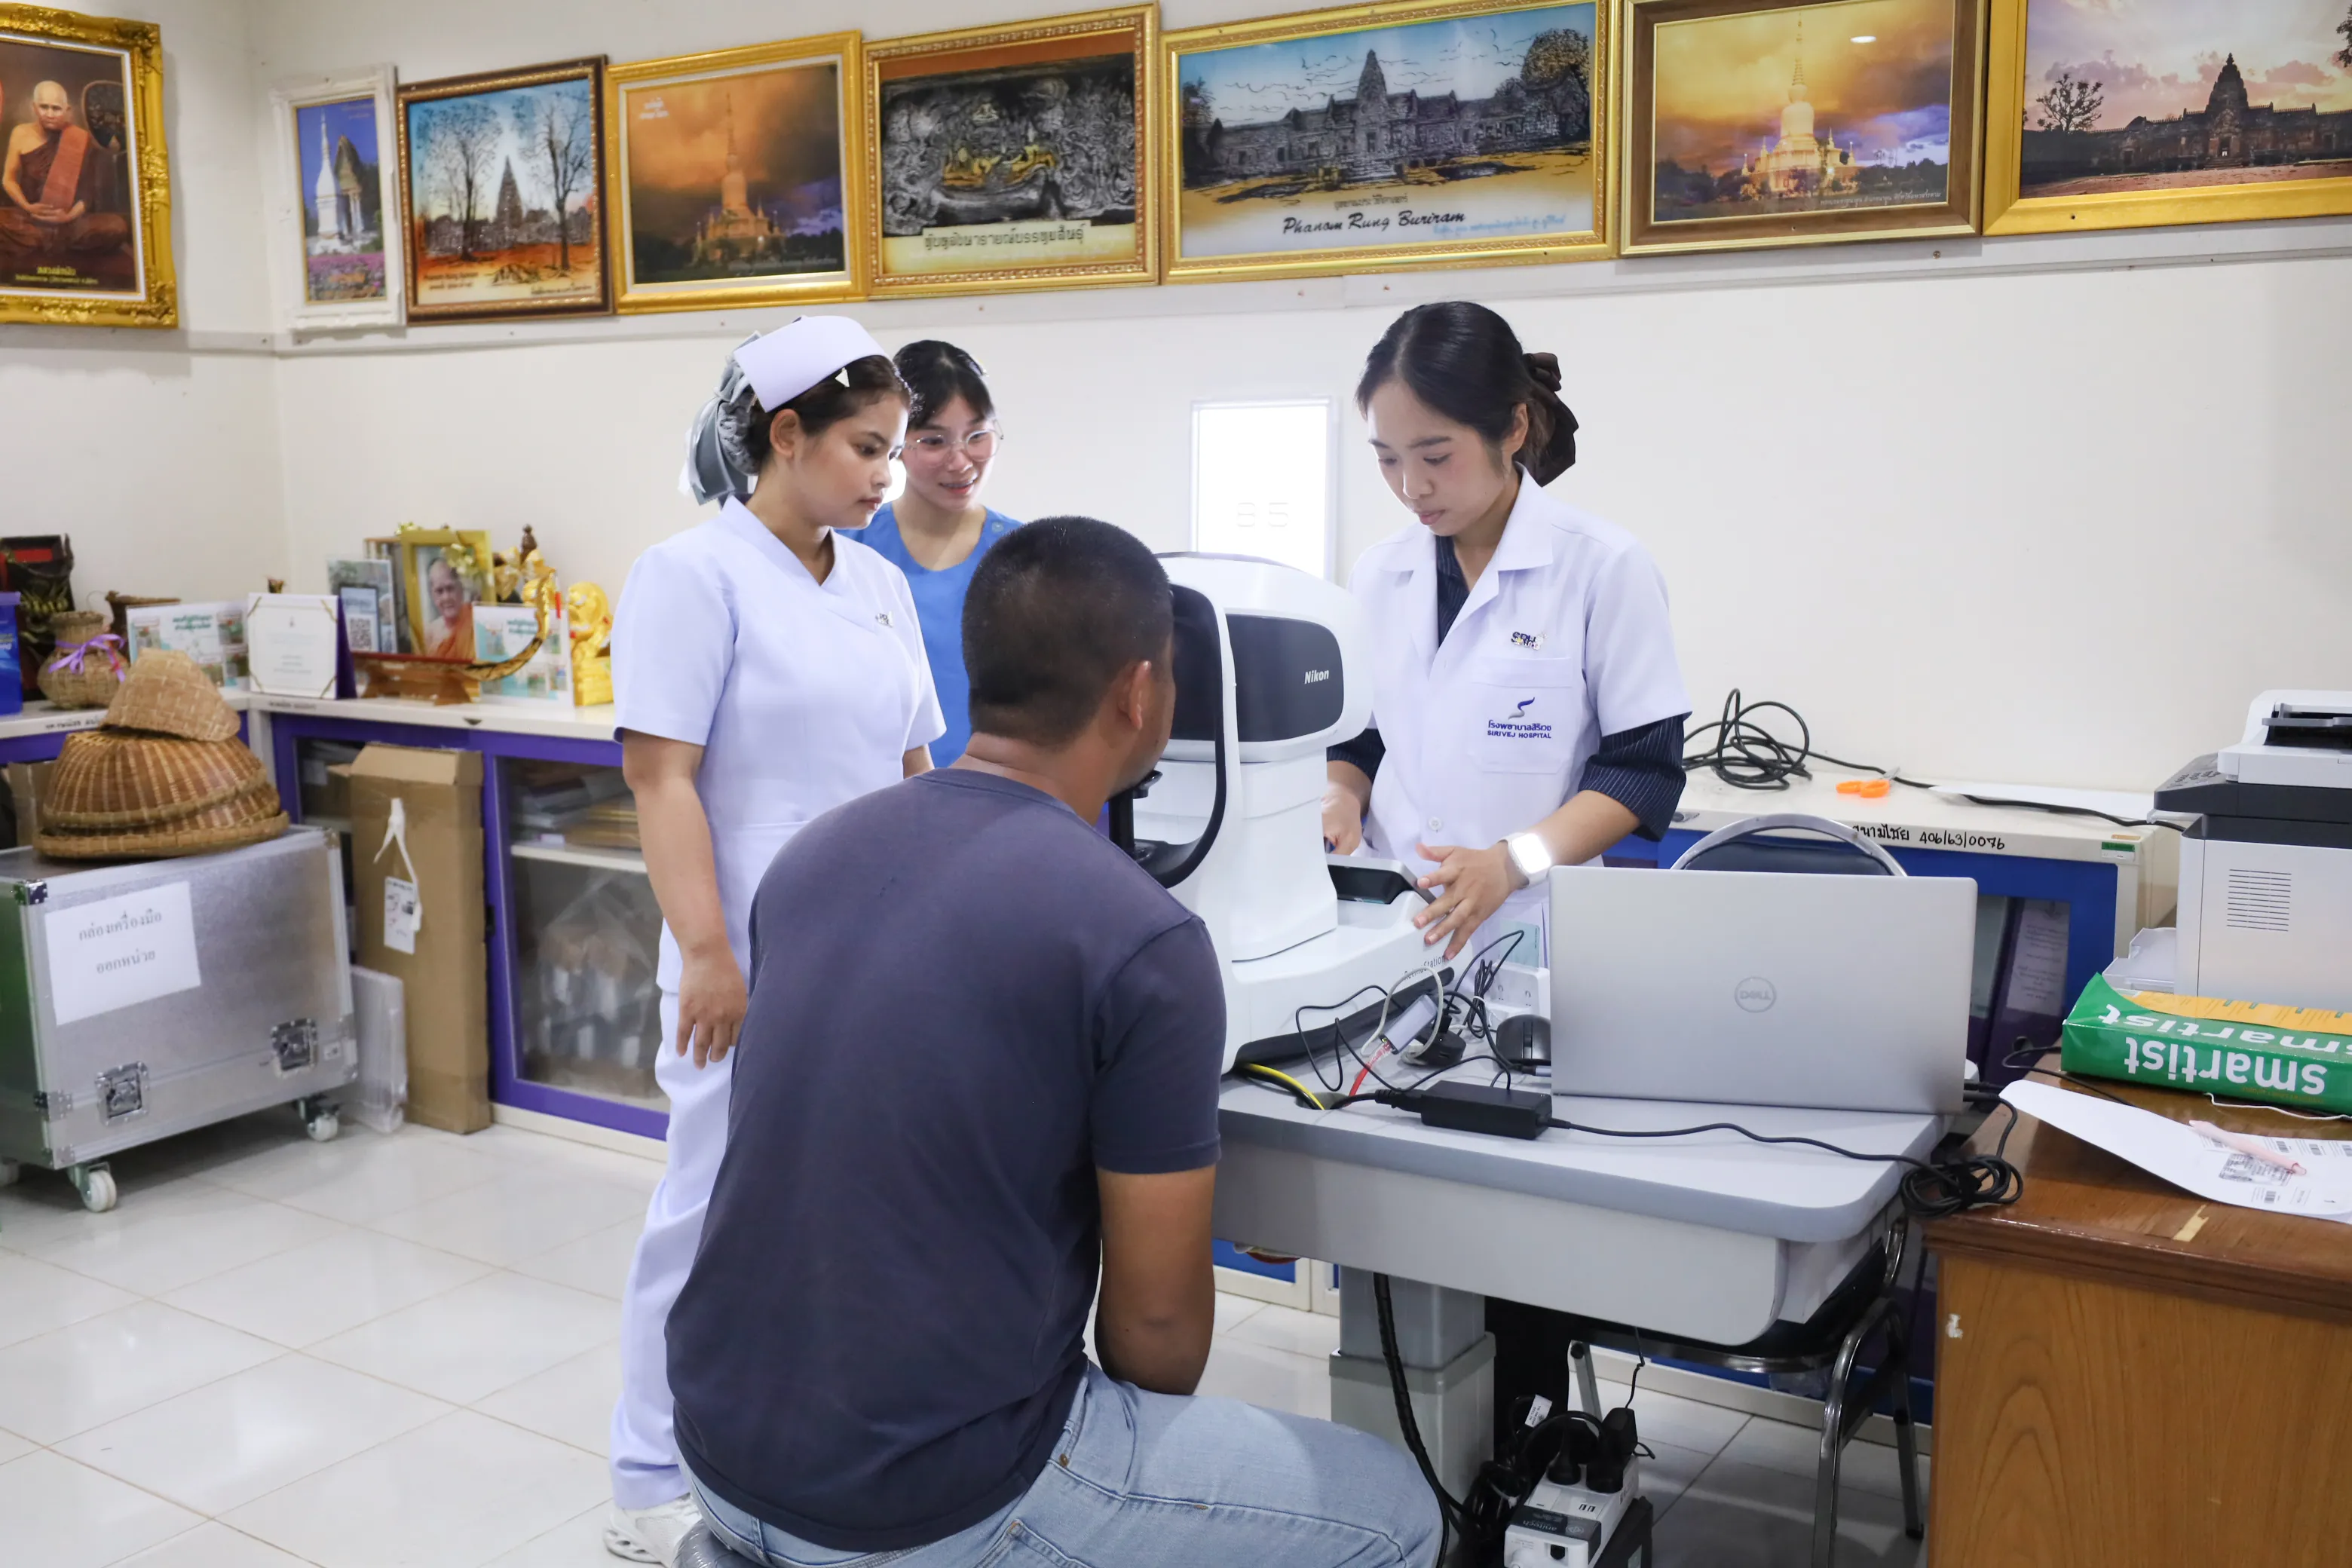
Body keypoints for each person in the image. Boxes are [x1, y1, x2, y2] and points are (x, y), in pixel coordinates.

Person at [666, 518, 1441, 1568]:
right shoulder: (1143, 940)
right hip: (928, 1504)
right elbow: (1154, 1339)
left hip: (715, 1448)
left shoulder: (811, 858)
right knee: (1395, 1510)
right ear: (1140, 693)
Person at [605, 317, 944, 1566]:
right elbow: (661, 780)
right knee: (709, 1209)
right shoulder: (690, 576)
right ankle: (650, 1472)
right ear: (786, 435)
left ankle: (803, 1443)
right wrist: (708, 953)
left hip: (874, 953)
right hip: (743, 960)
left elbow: (913, 769)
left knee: (850, 1208)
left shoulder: (878, 586)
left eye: (895, 450)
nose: (886, 476)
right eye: (867, 448)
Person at [1325, 302, 1690, 966]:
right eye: (1387, 459)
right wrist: (1341, 795)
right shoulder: (1378, 574)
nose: (1411, 486)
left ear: (1514, 427)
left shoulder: (1603, 567)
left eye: (1437, 456)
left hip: (1532, 926)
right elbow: (1363, 738)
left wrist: (1513, 862)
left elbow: (1642, 771)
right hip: (1390, 922)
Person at [859, 340, 1020, 764]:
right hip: (877, 790)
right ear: (896, 445)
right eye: (934, 441)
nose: (961, 462)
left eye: (977, 437)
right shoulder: (848, 548)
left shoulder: (1025, 556)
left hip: (999, 790)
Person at [0, 81, 129, 265]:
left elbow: (87, 194)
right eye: (44, 107)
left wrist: (67, 217)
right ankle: (52, 241)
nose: (50, 114)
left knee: (117, 226)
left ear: (67, 110)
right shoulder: (20, 133)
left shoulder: (80, 138)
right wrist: (28, 207)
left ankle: (42, 241)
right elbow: (9, 179)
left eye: (56, 108)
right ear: (34, 107)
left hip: (70, 222)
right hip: (29, 217)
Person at [419, 553, 475, 660]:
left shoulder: (476, 625)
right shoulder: (429, 633)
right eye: (439, 591)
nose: (446, 597)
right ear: (432, 595)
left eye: (450, 588)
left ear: (461, 589)